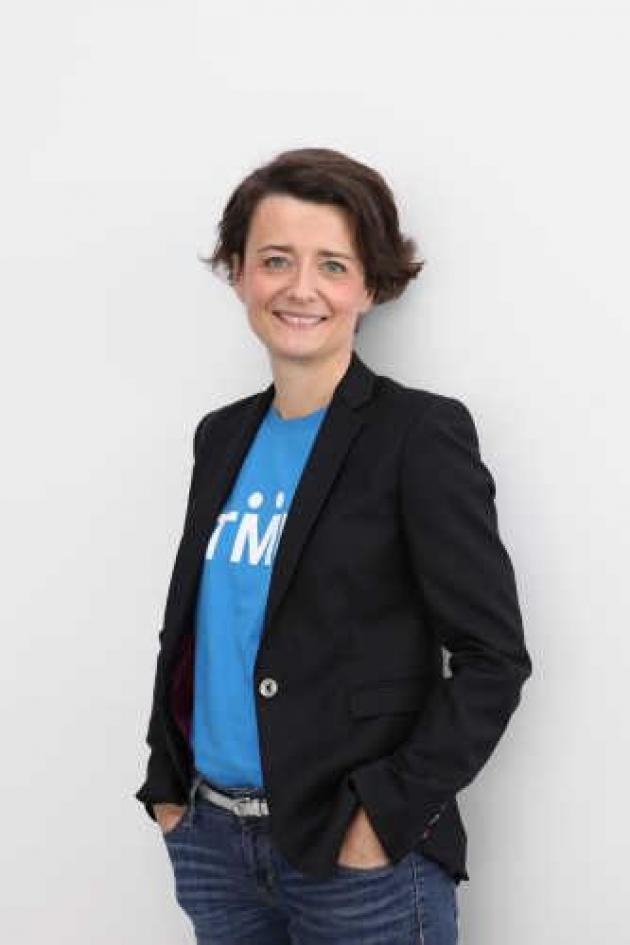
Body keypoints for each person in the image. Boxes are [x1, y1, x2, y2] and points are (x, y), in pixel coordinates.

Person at [134, 147, 532, 945]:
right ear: (239, 272)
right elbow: (199, 627)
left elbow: (493, 658)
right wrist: (167, 789)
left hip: (358, 863)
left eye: (333, 265)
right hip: (213, 844)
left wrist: (382, 817)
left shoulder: (417, 434)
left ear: (371, 284)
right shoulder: (221, 437)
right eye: (275, 259)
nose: (301, 288)